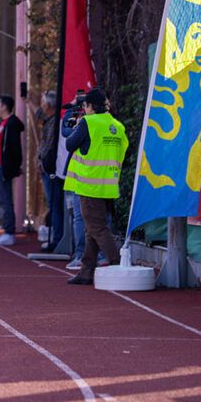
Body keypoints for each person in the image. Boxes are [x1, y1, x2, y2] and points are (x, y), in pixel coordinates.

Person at [63, 87, 126, 287]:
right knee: (91, 228)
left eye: (85, 106)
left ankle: (118, 265)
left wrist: (77, 126)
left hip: (89, 185)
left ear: (90, 106)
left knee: (97, 228)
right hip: (108, 185)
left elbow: (69, 144)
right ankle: (86, 271)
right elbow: (123, 151)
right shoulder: (117, 125)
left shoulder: (88, 122)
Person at [0, 95, 24, 247]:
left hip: (3, 167)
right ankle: (7, 229)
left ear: (4, 106)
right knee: (4, 199)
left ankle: (9, 232)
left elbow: (14, 149)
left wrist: (12, 167)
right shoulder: (4, 123)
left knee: (6, 200)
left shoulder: (10, 124)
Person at [37, 90, 63, 251]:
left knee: (55, 204)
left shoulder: (54, 122)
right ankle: (56, 237)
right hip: (47, 167)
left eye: (42, 102)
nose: (40, 105)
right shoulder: (48, 120)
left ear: (48, 104)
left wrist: (42, 160)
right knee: (53, 204)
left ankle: (57, 239)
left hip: (51, 168)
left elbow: (49, 145)